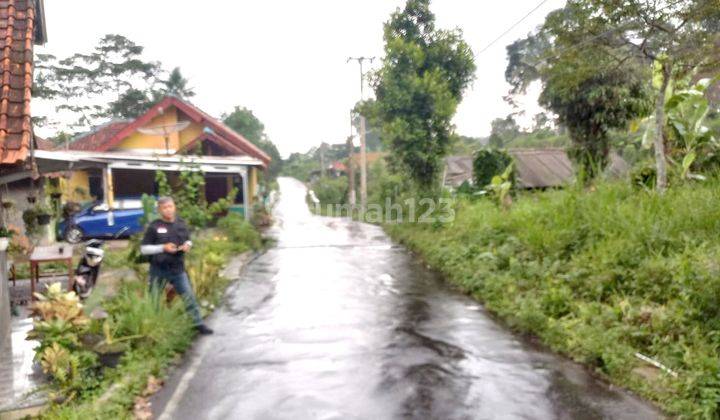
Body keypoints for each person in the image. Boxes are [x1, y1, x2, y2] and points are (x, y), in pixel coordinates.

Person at [140, 196, 213, 335]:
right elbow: (144, 249)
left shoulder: (181, 223)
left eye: (170, 206)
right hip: (158, 269)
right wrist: (163, 248)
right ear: (159, 210)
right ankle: (153, 328)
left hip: (177, 269)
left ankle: (197, 324)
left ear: (174, 207)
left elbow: (188, 240)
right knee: (154, 299)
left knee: (188, 296)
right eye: (164, 208)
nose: (168, 210)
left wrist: (187, 246)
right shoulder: (154, 226)